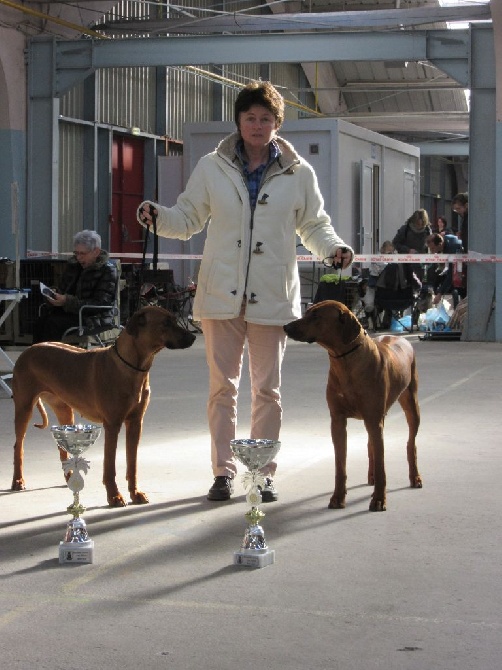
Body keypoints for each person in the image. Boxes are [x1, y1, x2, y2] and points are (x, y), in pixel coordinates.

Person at [137, 80, 353, 502]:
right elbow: (188, 216)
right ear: (239, 121)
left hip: (273, 299)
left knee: (267, 391)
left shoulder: (299, 173)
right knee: (222, 388)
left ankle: (262, 472)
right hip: (221, 297)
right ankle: (223, 472)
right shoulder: (210, 167)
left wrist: (334, 249)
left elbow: (314, 225)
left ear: (277, 124)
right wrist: (159, 218)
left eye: (266, 119)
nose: (257, 125)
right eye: (250, 118)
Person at [32, 230, 118, 343]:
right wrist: (54, 294)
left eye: (83, 254)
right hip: (72, 313)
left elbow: (101, 303)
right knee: (40, 322)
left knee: (53, 324)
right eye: (76, 253)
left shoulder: (107, 270)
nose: (79, 258)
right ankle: (39, 358)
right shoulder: (73, 266)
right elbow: (63, 289)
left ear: (96, 252)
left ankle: (51, 358)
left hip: (93, 317)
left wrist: (67, 301)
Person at [392, 208, 432, 283]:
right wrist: (408, 250)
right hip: (406, 263)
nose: (419, 227)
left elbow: (431, 246)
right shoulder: (405, 229)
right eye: (417, 224)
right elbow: (395, 243)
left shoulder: (427, 230)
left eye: (422, 225)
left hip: (421, 264)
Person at [425, 232, 464, 307]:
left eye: (433, 248)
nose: (432, 252)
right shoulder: (446, 239)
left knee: (456, 290)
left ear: (439, 245)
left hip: (464, 272)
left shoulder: (451, 250)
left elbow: (451, 274)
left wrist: (440, 293)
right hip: (459, 268)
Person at [364, 240, 395, 330]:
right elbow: (376, 270)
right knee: (371, 292)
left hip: (386, 286)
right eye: (388, 252)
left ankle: (382, 321)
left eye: (391, 252)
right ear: (383, 250)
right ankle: (370, 306)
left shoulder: (393, 259)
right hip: (376, 283)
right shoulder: (377, 258)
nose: (390, 254)